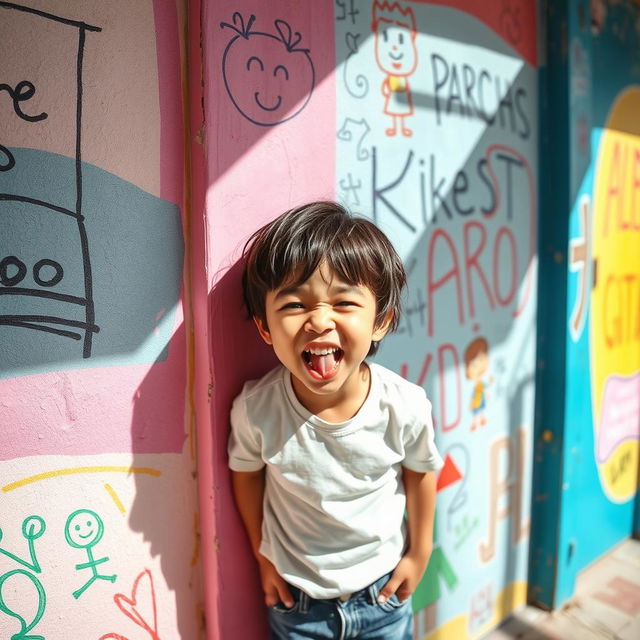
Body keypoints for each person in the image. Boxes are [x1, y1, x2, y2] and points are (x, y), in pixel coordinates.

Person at [228, 201, 443, 639]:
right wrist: (263, 556)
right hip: (297, 604)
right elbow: (246, 475)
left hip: (383, 595)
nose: (320, 321)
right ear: (265, 328)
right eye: (293, 305)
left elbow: (421, 473)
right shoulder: (256, 409)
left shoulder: (404, 405)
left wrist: (420, 553)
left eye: (344, 302)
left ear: (380, 320)